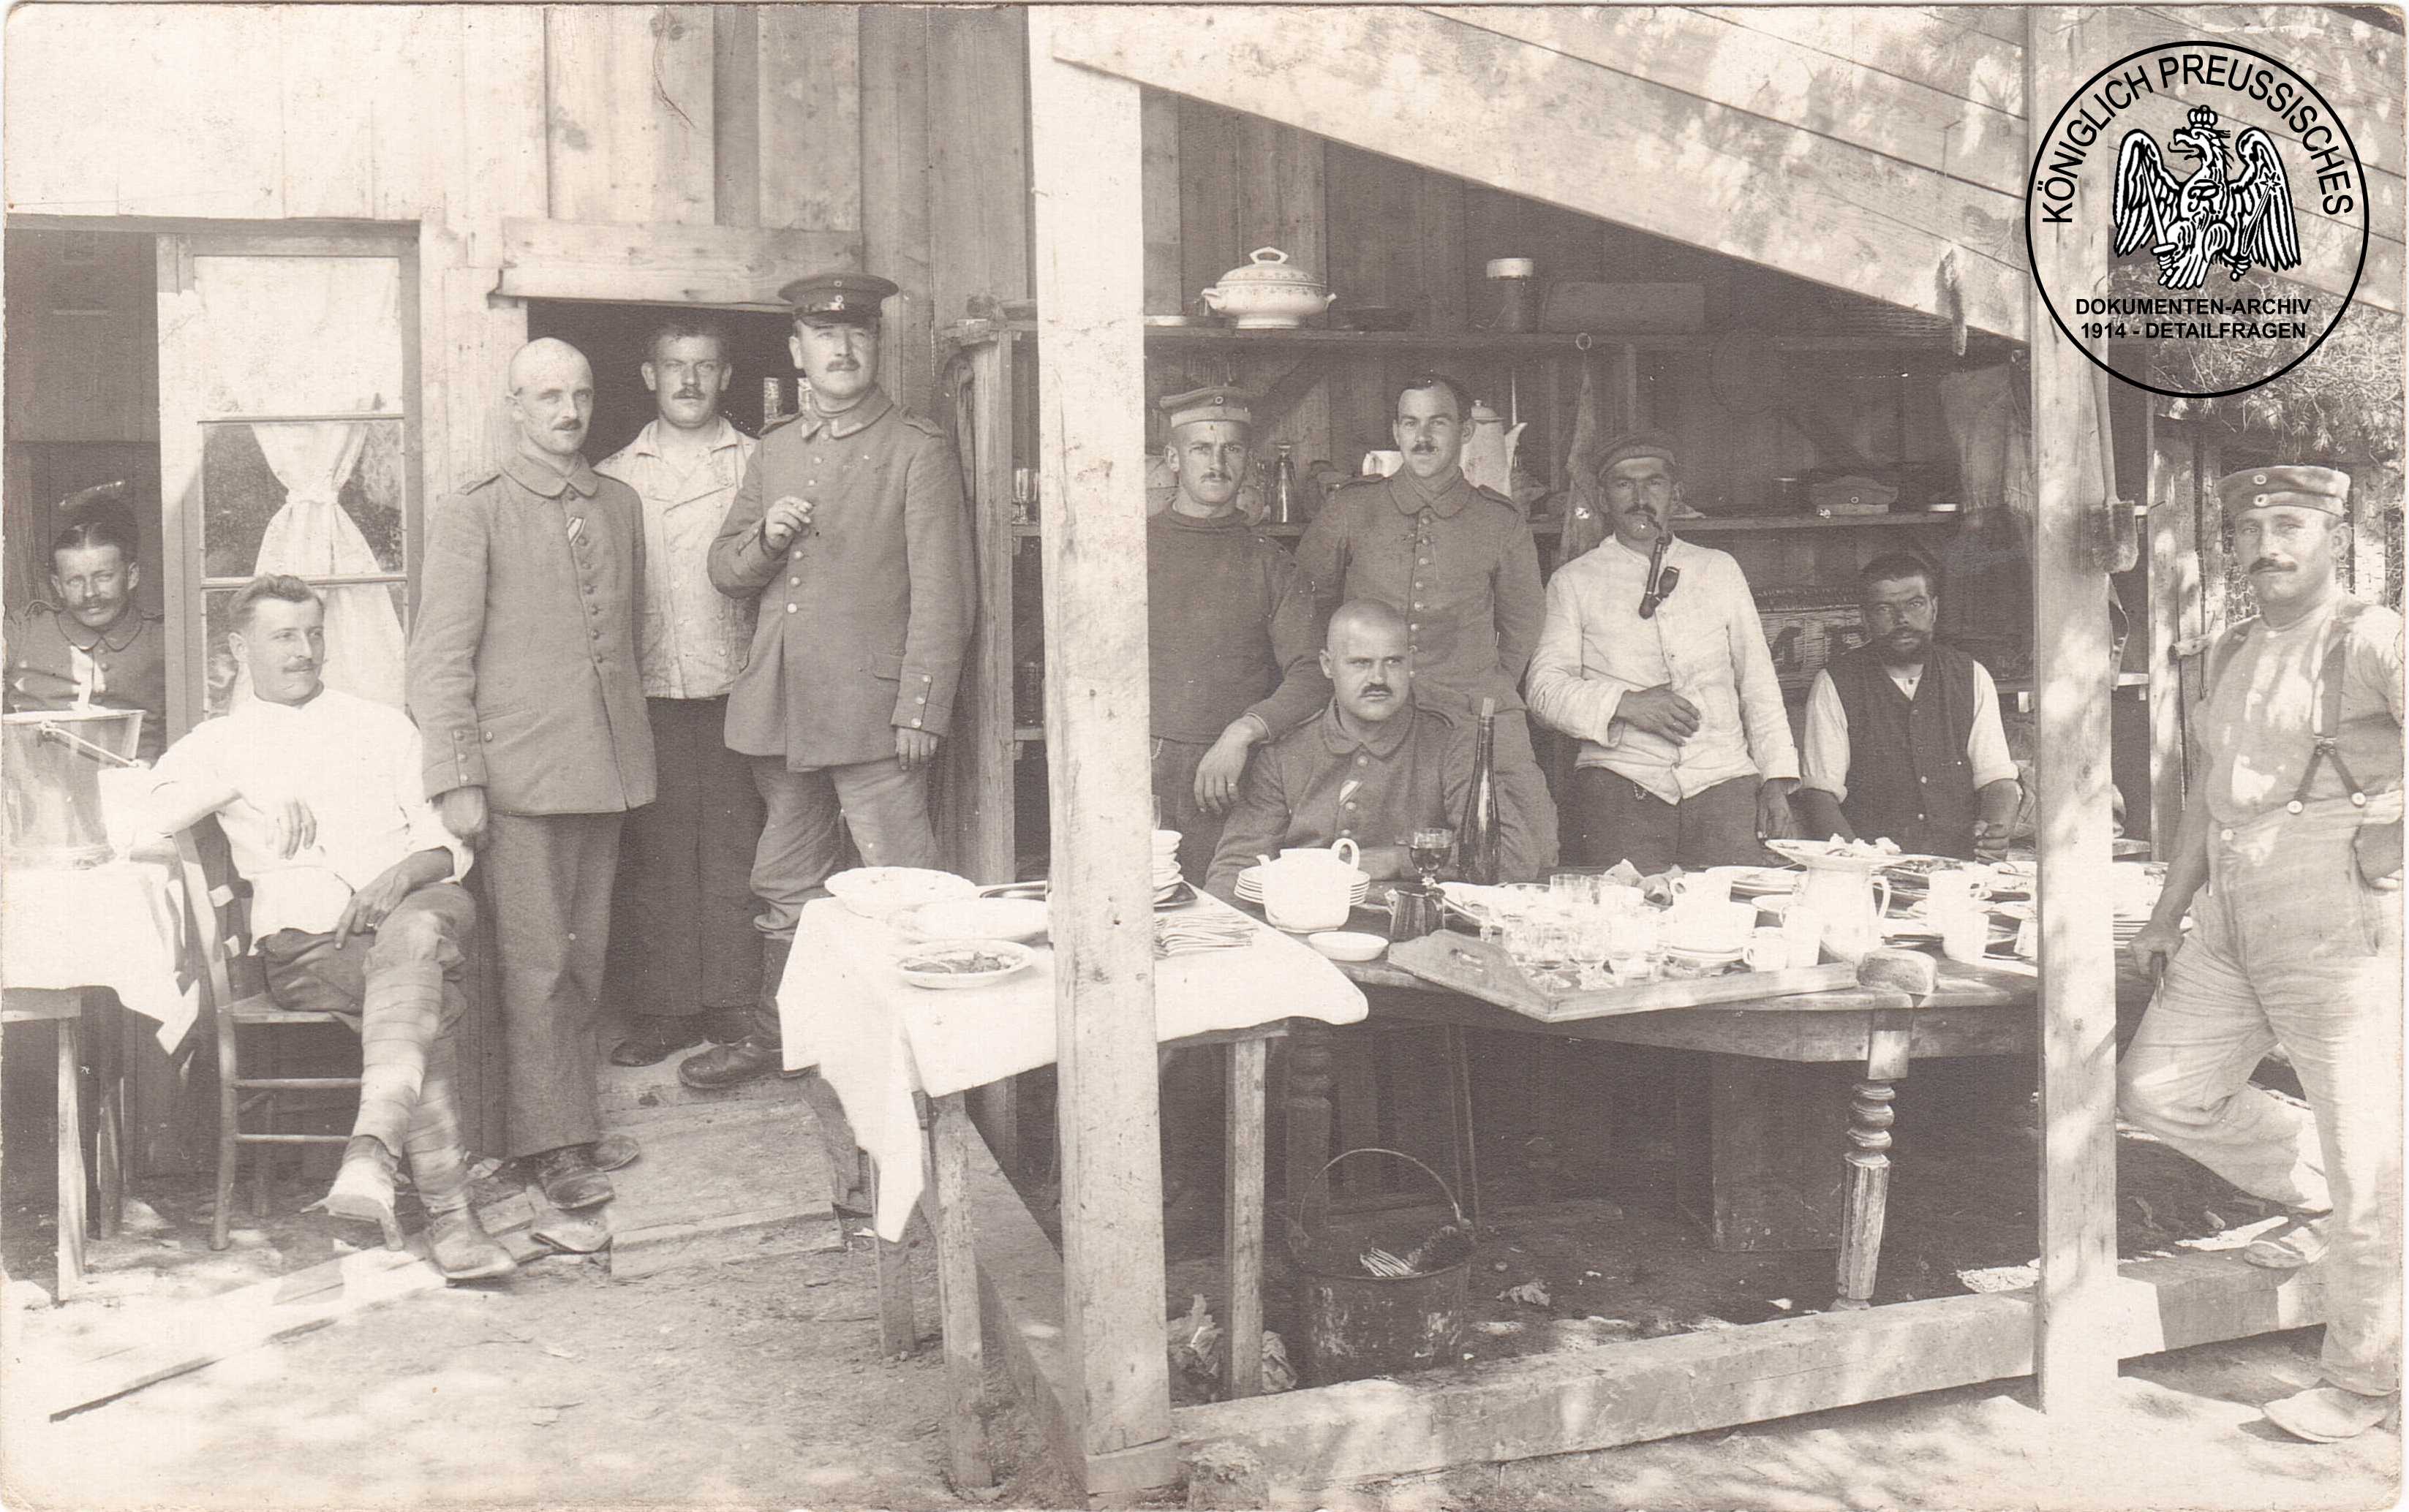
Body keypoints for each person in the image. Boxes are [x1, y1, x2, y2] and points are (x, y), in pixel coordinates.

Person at [2120, 464, 2402, 1444]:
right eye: (2249, 530)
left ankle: (2363, 1382)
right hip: (2231, 908)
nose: (2267, 546)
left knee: (2372, 1150)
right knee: (2159, 1090)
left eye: (2289, 525)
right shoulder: (2231, 647)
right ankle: (2316, 1192)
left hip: (2333, 908)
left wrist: (2392, 825)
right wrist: (2165, 914)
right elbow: (2208, 797)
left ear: (2333, 535)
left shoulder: (2370, 636)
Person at [146, 577, 510, 1279]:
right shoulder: (220, 742)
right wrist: (243, 783)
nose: (305, 650)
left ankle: (375, 1154)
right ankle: (444, 1214)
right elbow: (139, 816)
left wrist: (395, 879)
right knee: (427, 995)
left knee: (415, 938)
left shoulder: (382, 725)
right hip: (312, 946)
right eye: (284, 635)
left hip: (418, 906)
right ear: (239, 647)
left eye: (314, 633)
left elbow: (447, 843)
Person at [686, 271, 975, 1090]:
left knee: (902, 884)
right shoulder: (777, 449)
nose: (841, 349)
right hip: (785, 710)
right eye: (823, 335)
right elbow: (725, 570)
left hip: (877, 716)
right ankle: (786, 1040)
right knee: (785, 880)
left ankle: (918, 1062)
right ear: (797, 351)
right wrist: (767, 539)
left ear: (875, 345)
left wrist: (921, 708)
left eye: (856, 334)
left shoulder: (916, 448)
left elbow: (946, 595)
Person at [407, 337, 654, 1212]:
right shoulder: (475, 510)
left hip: (606, 769)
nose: (568, 411)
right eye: (547, 396)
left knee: (584, 960)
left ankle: (568, 1120)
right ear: (515, 407)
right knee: (539, 965)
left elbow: (629, 636)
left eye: (579, 395)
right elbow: (438, 658)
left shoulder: (618, 504)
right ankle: (552, 1146)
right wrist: (458, 775)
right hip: (520, 776)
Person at [1293, 374, 1558, 871]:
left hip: (1472, 710)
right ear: (1396, 431)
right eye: (1410, 423)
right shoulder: (1351, 508)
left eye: (1438, 423)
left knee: (1531, 849)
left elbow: (1523, 622)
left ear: (1465, 432)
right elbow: (1310, 605)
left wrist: (1481, 685)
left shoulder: (1499, 520)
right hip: (1380, 707)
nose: (1423, 436)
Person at [594, 316, 766, 1067]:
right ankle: (665, 1010)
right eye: (674, 365)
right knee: (657, 858)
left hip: (738, 688)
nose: (689, 381)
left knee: (735, 850)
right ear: (649, 376)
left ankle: (731, 1003)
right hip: (651, 690)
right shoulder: (616, 475)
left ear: (725, 376)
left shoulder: (758, 463)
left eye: (704, 366)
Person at [1525, 432, 1798, 874]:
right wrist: (1627, 704)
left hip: (1723, 783)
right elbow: (1543, 691)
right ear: (1603, 499)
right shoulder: (1574, 581)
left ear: (1676, 494)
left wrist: (1776, 780)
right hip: (1622, 787)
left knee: (1732, 907)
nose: (1640, 498)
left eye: (1654, 483)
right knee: (1629, 910)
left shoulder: (1718, 569)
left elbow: (1759, 683)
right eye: (1623, 485)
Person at [1206, 600, 1543, 901]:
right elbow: (1236, 866)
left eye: (1393, 662)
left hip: (1410, 934)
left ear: (1410, 662)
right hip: (1300, 926)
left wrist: (1399, 860)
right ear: (1327, 665)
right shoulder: (1286, 752)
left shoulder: (1450, 742)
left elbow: (1513, 856)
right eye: (1360, 663)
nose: (1378, 679)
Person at [1147, 386, 1326, 883]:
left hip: (1231, 777)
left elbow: (1313, 673)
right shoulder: (1131, 549)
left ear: (1248, 461)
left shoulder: (1271, 563)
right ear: (1173, 459)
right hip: (1140, 771)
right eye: (1201, 448)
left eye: (1232, 448)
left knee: (1222, 910)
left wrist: (1242, 733)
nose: (1217, 463)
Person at [1797, 551, 2021, 858]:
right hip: (1873, 865)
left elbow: (1997, 780)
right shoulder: (1836, 683)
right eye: (1884, 609)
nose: (1902, 619)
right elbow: (1820, 795)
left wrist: (1995, 834)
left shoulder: (1971, 675)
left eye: (1915, 604)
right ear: (1864, 618)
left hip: (1958, 866)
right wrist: (1857, 862)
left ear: (1934, 609)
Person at [4, 491, 169, 761]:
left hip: (138, 783)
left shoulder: (164, 637)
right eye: (75, 581)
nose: (90, 593)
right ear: (58, 586)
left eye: (103, 577)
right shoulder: (23, 632)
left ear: (131, 576)